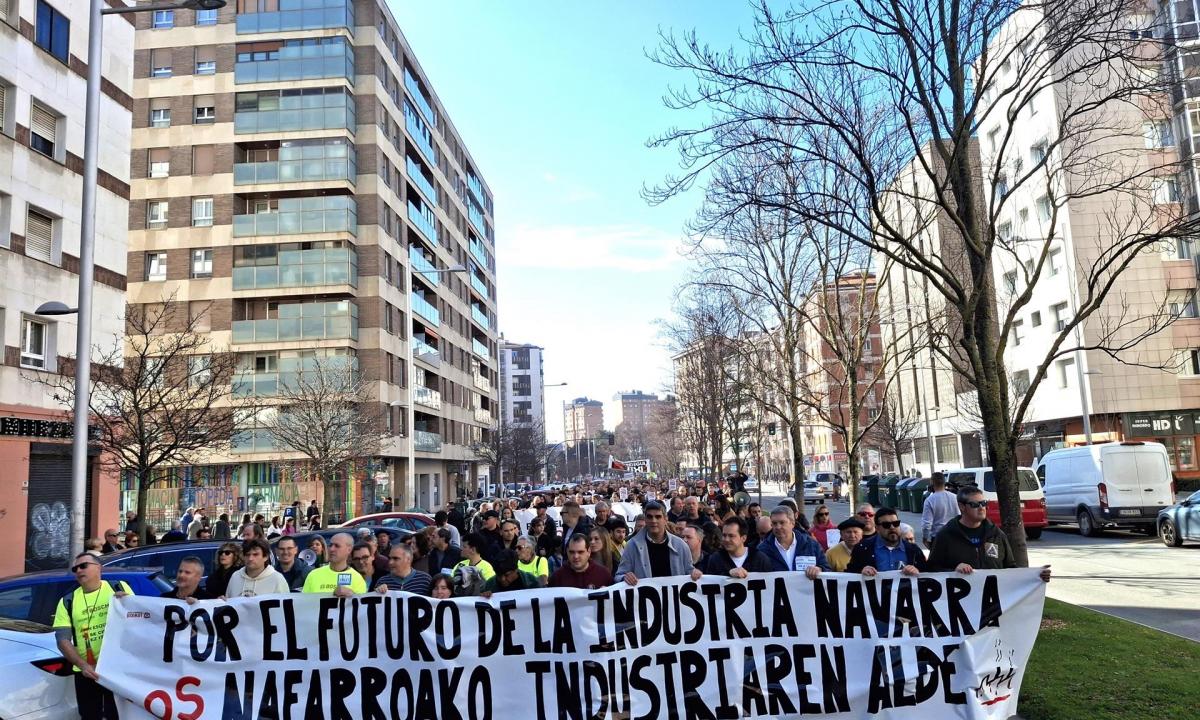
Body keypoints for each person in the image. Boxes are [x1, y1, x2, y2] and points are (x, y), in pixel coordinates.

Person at [53, 553, 134, 720]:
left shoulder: (119, 587)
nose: (79, 570)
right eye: (75, 568)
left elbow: (140, 619)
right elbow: (62, 640)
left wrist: (128, 604)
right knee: (90, 716)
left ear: (99, 567)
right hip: (87, 671)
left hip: (118, 667)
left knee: (119, 714)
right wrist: (82, 665)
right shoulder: (67, 601)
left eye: (84, 566)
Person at [928, 487, 1053, 582]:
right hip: (962, 604)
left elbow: (1010, 567)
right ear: (962, 507)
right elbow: (931, 569)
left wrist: (1035, 576)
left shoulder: (996, 534)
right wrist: (954, 570)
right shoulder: (946, 535)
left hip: (992, 605)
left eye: (983, 503)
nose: (981, 508)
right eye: (975, 505)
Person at [616, 500, 694, 584]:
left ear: (665, 519)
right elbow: (619, 575)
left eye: (658, 517)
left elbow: (690, 574)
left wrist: (696, 575)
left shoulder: (680, 546)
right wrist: (625, 577)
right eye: (649, 517)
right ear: (645, 519)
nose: (653, 521)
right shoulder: (632, 546)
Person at [848, 507, 929, 576]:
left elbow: (928, 575)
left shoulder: (913, 550)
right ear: (877, 528)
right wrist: (861, 572)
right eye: (886, 525)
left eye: (896, 523)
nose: (892, 527)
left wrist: (917, 573)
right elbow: (849, 575)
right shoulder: (863, 548)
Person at [757, 506, 829, 579]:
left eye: (782, 523)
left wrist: (820, 569)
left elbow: (827, 569)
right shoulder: (762, 550)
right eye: (774, 523)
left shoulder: (811, 545)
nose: (778, 527)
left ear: (792, 523)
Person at [692, 517, 774, 579]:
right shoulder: (715, 559)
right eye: (724, 535)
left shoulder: (760, 559)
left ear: (743, 538)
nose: (726, 539)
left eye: (731, 536)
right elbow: (710, 585)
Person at [303, 532, 367, 596]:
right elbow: (303, 602)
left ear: (349, 550)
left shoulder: (357, 579)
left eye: (337, 546)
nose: (331, 549)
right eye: (330, 545)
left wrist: (352, 596)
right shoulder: (313, 575)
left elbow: (362, 604)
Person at [226, 538, 290, 597]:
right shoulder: (235, 576)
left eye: (255, 554)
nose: (250, 558)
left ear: (266, 557)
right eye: (247, 555)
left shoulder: (277, 579)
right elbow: (228, 603)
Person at [550, 534, 614, 589]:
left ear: (588, 552)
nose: (576, 556)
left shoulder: (604, 575)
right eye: (572, 552)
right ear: (567, 551)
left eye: (580, 552)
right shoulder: (557, 577)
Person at [921, 473, 960, 548]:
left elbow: (926, 524)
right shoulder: (955, 497)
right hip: (955, 536)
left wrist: (925, 539)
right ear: (944, 482)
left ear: (932, 482)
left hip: (938, 538)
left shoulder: (929, 500)